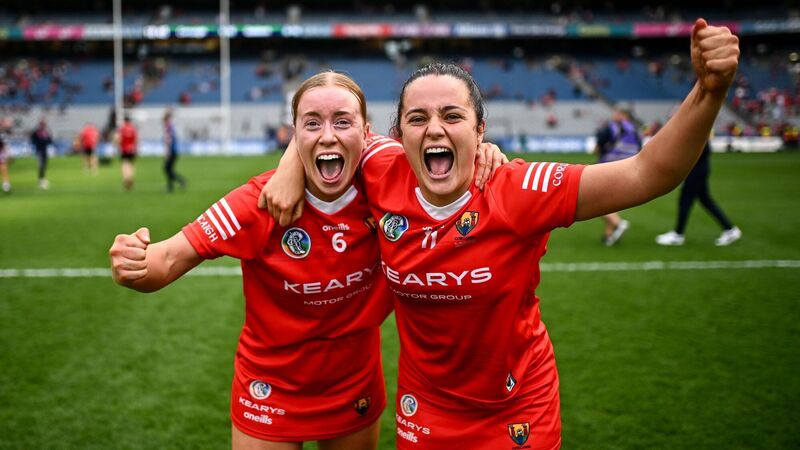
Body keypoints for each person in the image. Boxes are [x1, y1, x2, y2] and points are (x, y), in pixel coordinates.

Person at [261, 19, 738, 449]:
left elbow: (647, 173)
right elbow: (327, 132)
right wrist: (288, 166)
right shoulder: (382, 167)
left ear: (480, 130)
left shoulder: (519, 189)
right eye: (418, 118)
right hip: (424, 408)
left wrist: (709, 91)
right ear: (397, 135)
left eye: (452, 116)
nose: (434, 129)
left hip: (517, 410)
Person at [109, 71, 505, 450]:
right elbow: (164, 262)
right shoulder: (259, 202)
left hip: (353, 384)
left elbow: (448, 160)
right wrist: (134, 261)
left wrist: (483, 151)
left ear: (367, 133)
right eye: (311, 123)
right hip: (269, 388)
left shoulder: (389, 180)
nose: (328, 135)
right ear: (293, 133)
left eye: (343, 122)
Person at [655, 140, 742, 246]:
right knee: (704, 201)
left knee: (685, 202)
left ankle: (678, 234)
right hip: (698, 170)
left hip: (696, 171)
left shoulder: (699, 137)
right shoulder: (701, 137)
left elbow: (692, 153)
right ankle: (729, 229)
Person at [593, 108, 643, 246]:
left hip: (607, 168)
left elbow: (598, 147)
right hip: (628, 169)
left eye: (616, 113)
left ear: (623, 115)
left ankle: (618, 223)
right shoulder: (635, 130)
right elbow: (640, 150)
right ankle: (609, 235)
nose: (613, 115)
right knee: (610, 202)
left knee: (596, 200)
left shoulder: (611, 128)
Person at [163, 111, 187, 193]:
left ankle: (180, 181)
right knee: (168, 169)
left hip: (171, 151)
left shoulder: (168, 127)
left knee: (167, 168)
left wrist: (167, 152)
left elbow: (168, 141)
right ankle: (171, 186)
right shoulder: (171, 127)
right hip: (174, 150)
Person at [31, 118, 53, 189]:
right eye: (42, 124)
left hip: (45, 151)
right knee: (41, 166)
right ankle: (41, 180)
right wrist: (39, 142)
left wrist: (47, 140)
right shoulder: (36, 132)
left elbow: (50, 140)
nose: (43, 125)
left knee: (45, 165)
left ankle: (43, 178)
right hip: (39, 151)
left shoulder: (46, 132)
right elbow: (32, 140)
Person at [118, 116, 138, 191]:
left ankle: (126, 178)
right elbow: (136, 139)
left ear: (124, 121)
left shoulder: (122, 128)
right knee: (131, 164)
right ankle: (130, 177)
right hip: (132, 149)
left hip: (124, 149)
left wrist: (118, 146)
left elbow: (119, 139)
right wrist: (136, 149)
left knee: (125, 164)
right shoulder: (133, 128)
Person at [0, 117, 11, 193]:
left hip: (0, 153)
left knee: (3, 168)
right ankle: (6, 184)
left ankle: (6, 184)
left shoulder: (3, 134)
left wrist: (7, 153)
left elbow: (5, 145)